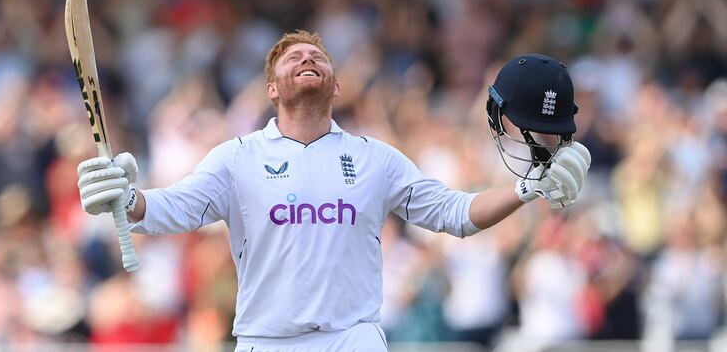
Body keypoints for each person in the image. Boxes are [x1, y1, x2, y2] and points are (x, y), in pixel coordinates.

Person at [77, 30, 590, 351]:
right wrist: (125, 197)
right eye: (292, 55)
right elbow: (171, 209)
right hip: (266, 340)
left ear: (336, 85)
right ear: (272, 89)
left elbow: (455, 214)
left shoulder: (376, 158)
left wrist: (525, 190)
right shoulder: (237, 157)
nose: (307, 57)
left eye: (317, 56)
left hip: (353, 338)